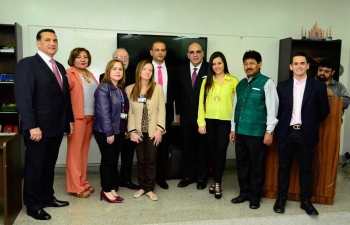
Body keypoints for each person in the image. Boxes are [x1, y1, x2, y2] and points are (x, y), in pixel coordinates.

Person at [14, 29, 74, 220]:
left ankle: (47, 197)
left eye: (55, 40)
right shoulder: (27, 64)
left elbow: (65, 97)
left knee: (49, 166)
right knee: (35, 167)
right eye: (47, 39)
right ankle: (32, 205)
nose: (52, 43)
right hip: (37, 128)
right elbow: (24, 98)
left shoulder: (60, 67)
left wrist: (69, 120)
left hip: (56, 126)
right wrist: (32, 126)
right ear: (38, 43)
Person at [273, 52, 330, 216]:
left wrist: (310, 123)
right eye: (296, 63)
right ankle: (281, 199)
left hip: (306, 133)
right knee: (284, 168)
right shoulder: (282, 86)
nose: (299, 66)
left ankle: (306, 201)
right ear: (291, 67)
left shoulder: (318, 86)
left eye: (302, 63)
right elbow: (278, 111)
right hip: (286, 132)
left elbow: (324, 111)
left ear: (307, 66)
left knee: (306, 169)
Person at [230, 50, 278, 209]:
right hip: (241, 132)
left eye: (252, 63)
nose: (248, 66)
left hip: (257, 133)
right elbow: (235, 108)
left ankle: (254, 197)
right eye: (245, 63)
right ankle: (244, 193)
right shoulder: (241, 84)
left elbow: (273, 108)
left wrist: (269, 131)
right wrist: (233, 128)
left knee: (257, 165)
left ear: (259, 64)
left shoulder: (267, 83)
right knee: (242, 164)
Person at [197, 51, 239, 199]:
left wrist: (234, 126)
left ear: (224, 63)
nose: (217, 66)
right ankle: (215, 181)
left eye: (219, 63)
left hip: (225, 122)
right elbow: (201, 104)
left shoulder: (233, 81)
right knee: (211, 152)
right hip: (209, 121)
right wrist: (201, 123)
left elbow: (237, 105)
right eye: (214, 64)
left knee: (220, 151)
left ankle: (217, 182)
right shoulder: (206, 81)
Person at [126, 60, 166, 201]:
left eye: (150, 70)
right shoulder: (130, 89)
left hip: (153, 131)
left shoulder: (157, 88)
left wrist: (159, 130)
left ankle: (149, 188)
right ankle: (142, 187)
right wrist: (131, 132)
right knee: (140, 160)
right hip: (137, 132)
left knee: (151, 160)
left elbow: (162, 110)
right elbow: (129, 112)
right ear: (139, 71)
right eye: (145, 69)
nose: (148, 72)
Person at [100, 48, 139, 190]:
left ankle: (125, 180)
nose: (123, 60)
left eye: (125, 58)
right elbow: (104, 110)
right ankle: (112, 183)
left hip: (128, 124)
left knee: (128, 155)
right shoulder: (104, 80)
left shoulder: (135, 78)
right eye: (119, 57)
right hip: (112, 127)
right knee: (112, 157)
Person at [93, 58, 128, 203]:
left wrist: (124, 129)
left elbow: (123, 110)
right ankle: (106, 190)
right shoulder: (104, 87)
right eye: (114, 68)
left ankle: (112, 188)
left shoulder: (120, 88)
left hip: (119, 131)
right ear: (108, 71)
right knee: (108, 161)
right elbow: (103, 113)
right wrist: (109, 133)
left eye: (120, 69)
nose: (118, 71)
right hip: (106, 131)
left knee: (114, 161)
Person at [65, 47, 98, 198]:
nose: (82, 59)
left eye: (85, 57)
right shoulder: (68, 73)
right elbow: (63, 99)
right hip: (77, 118)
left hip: (90, 117)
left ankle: (83, 182)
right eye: (78, 57)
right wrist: (67, 120)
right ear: (73, 59)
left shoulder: (90, 74)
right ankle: (75, 187)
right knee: (74, 153)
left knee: (84, 152)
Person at [176, 42, 209, 190]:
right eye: (192, 52)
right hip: (186, 116)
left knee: (202, 149)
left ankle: (201, 178)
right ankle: (188, 176)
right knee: (187, 147)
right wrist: (178, 112)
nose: (195, 55)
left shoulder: (210, 68)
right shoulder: (181, 69)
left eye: (198, 52)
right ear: (188, 55)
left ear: (202, 53)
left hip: (203, 117)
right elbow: (178, 92)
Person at [150, 41, 178, 189]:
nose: (160, 52)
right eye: (157, 50)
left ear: (166, 52)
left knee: (163, 144)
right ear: (151, 52)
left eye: (162, 50)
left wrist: (178, 112)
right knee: (149, 145)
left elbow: (178, 93)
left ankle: (160, 177)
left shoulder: (173, 70)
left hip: (166, 110)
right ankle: (148, 178)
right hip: (148, 110)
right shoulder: (145, 69)